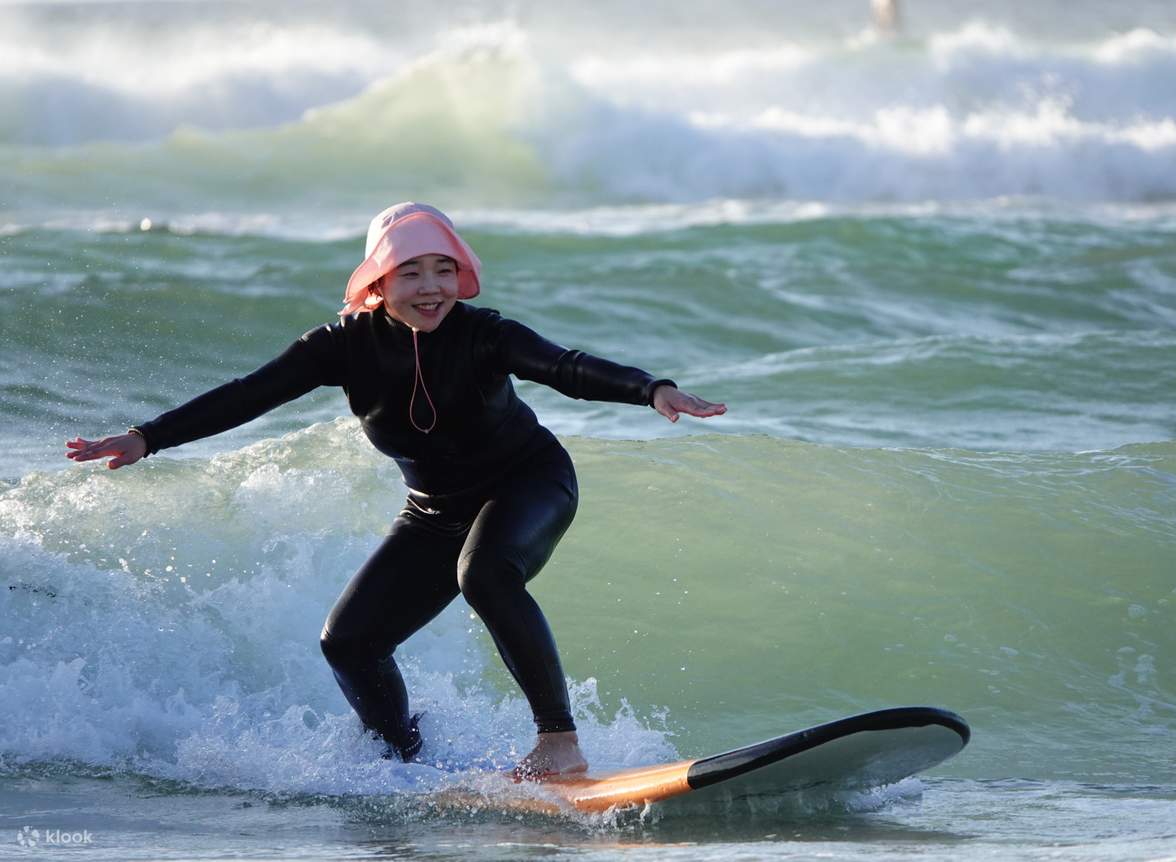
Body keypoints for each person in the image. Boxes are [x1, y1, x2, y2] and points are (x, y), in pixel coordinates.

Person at [65, 202, 726, 778]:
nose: (432, 287)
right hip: (434, 510)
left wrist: (650, 389)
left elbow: (565, 367)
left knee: (486, 574)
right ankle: (402, 758)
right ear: (379, 281)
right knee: (348, 642)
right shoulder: (341, 346)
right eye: (411, 272)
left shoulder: (485, 333)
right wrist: (147, 437)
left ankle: (559, 744)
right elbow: (249, 395)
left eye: (443, 269)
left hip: (528, 481)